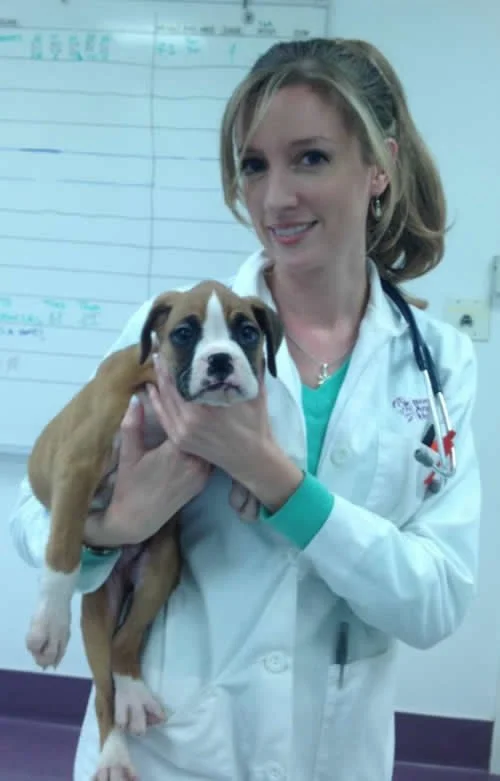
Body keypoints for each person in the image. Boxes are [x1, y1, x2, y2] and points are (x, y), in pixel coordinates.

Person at [9, 37, 481, 781]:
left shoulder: (437, 363)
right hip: (166, 744)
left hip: (333, 749)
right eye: (254, 165)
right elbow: (34, 517)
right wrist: (113, 527)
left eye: (311, 158)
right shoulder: (169, 334)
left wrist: (280, 484)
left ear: (380, 166)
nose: (275, 196)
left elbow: (436, 600)